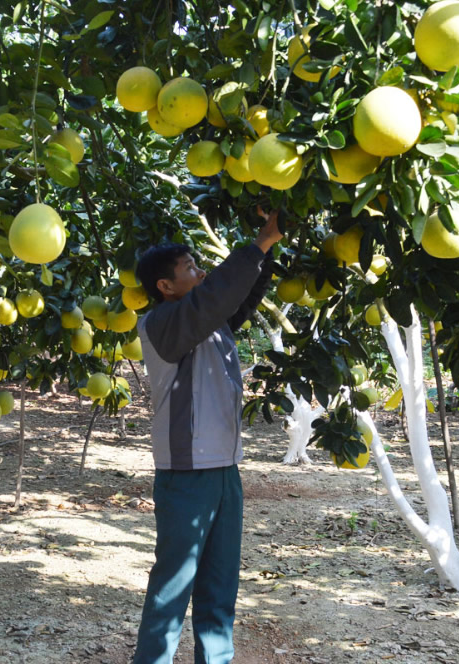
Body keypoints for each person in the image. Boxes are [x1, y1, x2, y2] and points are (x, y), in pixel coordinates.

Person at [132, 210, 283, 663]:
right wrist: (258, 243)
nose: (201, 273)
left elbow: (236, 298)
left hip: (223, 471)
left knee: (220, 586)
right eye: (191, 269)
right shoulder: (163, 326)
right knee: (173, 589)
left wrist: (268, 252)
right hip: (186, 475)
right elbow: (215, 298)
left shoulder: (209, 325)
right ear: (165, 287)